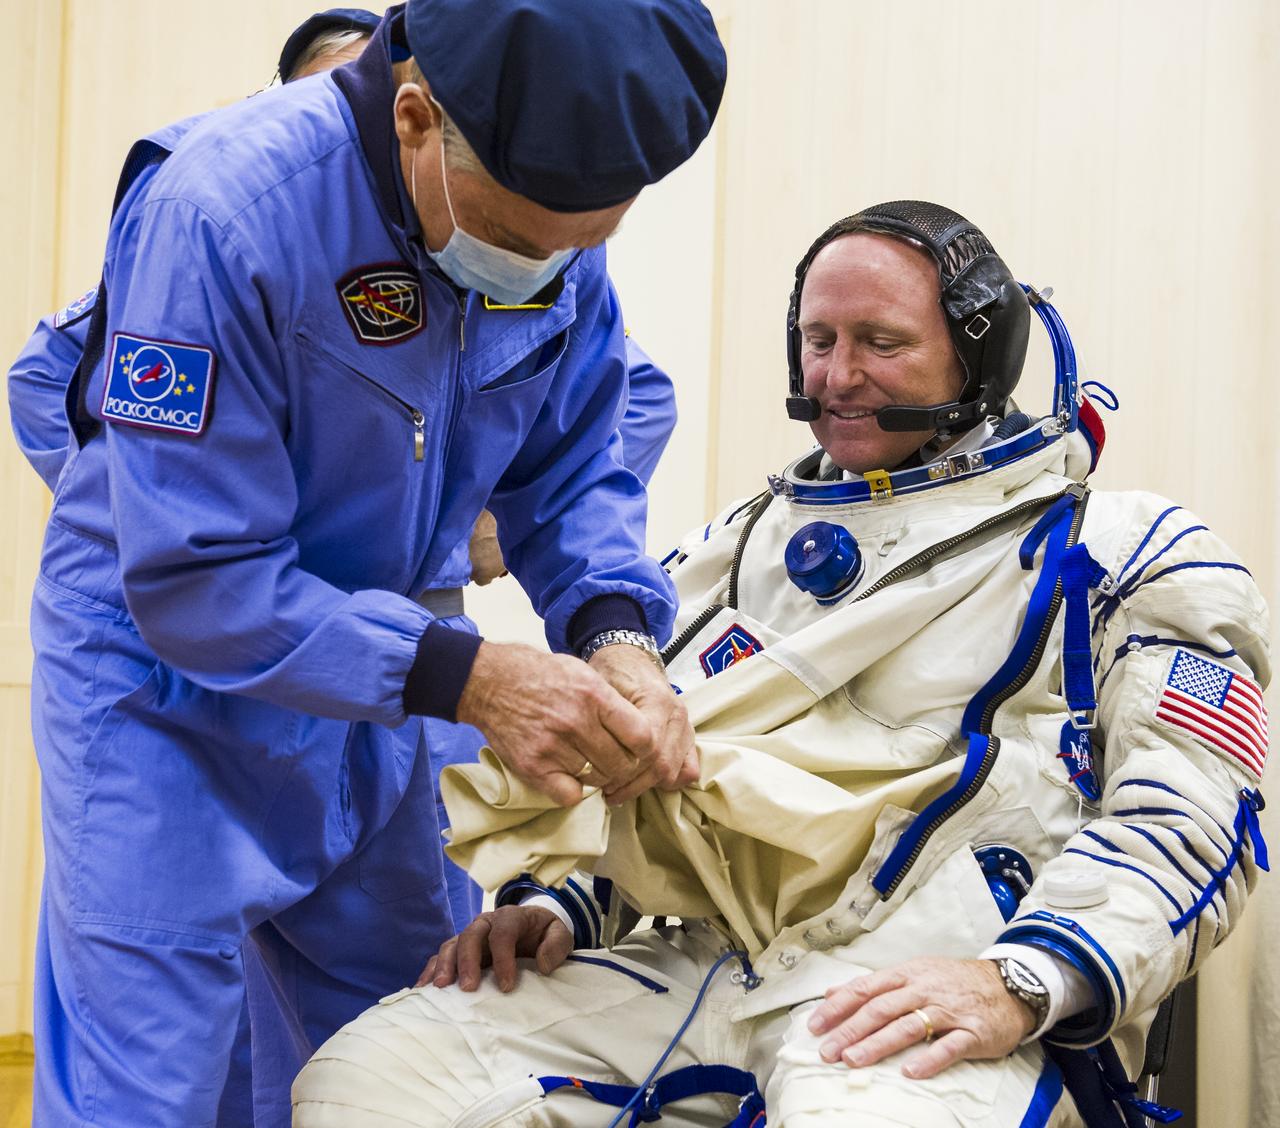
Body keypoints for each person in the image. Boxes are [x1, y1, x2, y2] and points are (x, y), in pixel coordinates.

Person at [290, 201, 1271, 1128]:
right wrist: (569, 904)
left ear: (980, 351)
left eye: (879, 344)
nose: (837, 375)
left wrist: (1018, 981)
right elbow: (672, 781)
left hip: (928, 976)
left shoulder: (1123, 553)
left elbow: (1185, 817)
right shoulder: (735, 550)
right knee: (373, 1077)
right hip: (699, 962)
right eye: (817, 341)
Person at [18, 1, 725, 1124]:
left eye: (581, 244)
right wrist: (474, 678)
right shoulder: (223, 211)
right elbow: (197, 574)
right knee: (149, 1085)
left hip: (388, 686)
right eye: (528, 238)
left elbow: (576, 468)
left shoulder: (546, 227)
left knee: (397, 1047)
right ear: (412, 118)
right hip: (166, 690)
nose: (545, 269)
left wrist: (616, 636)